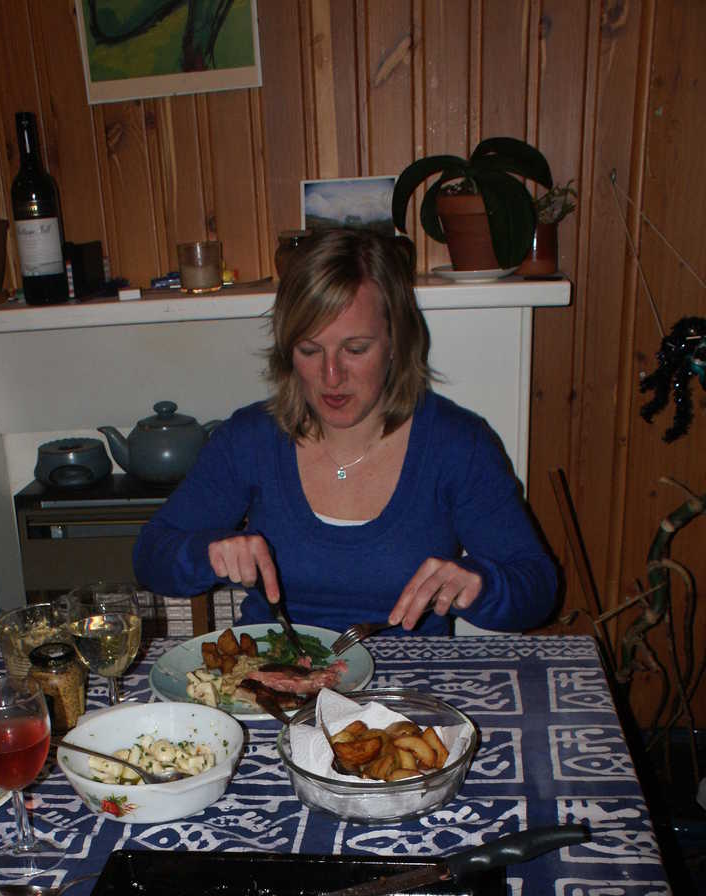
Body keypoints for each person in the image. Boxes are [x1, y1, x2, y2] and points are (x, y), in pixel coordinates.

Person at [132, 229, 559, 635]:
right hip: (267, 678)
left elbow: (538, 589)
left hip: (402, 695)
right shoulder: (250, 438)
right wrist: (206, 553)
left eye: (355, 349)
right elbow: (150, 556)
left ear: (396, 342)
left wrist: (480, 585)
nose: (330, 375)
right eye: (309, 350)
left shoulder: (457, 444)